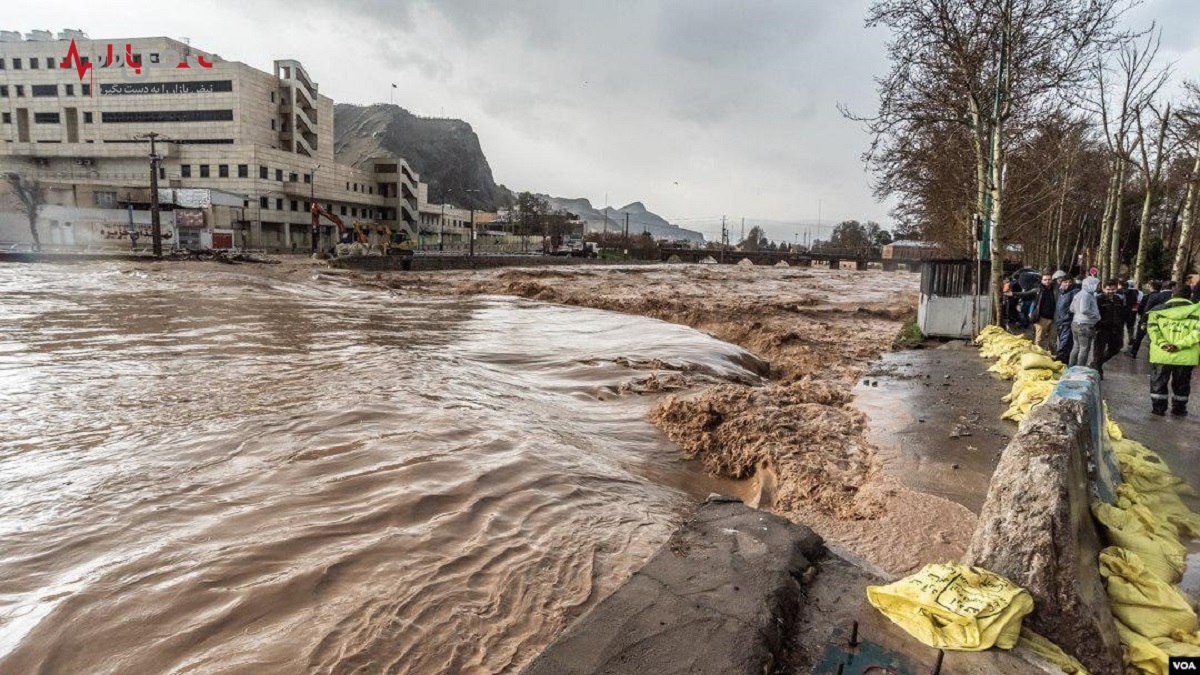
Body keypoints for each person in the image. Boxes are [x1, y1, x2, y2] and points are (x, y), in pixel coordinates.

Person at [1147, 284, 1200, 416]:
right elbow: (1197, 333)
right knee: (1182, 384)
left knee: (1158, 382)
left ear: (1172, 295)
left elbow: (1152, 331)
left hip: (1161, 354)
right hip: (1185, 357)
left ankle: (1158, 409)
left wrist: (1163, 344)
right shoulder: (1197, 311)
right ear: (1190, 296)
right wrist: (1179, 345)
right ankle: (1179, 409)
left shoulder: (1156, 311)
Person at [1093, 279, 1128, 378]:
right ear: (1104, 289)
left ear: (1116, 289)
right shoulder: (1099, 299)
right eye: (1108, 289)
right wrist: (1098, 325)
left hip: (1116, 329)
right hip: (1102, 329)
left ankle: (1096, 363)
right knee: (1099, 351)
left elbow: (1123, 313)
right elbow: (1095, 315)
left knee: (1116, 348)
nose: (1110, 291)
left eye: (1113, 289)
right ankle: (1098, 370)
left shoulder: (1118, 299)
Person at [1017, 271, 1058, 351]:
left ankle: (1050, 356)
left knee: (1053, 339)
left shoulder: (1056, 290)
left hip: (1054, 318)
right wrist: (1013, 294)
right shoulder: (1038, 290)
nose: (1047, 281)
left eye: (1049, 279)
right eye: (1045, 280)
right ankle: (1037, 353)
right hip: (1041, 318)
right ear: (1042, 281)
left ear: (1052, 280)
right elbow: (1026, 294)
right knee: (1039, 339)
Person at [1129, 280, 1169, 358]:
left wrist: (1142, 318)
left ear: (1151, 287)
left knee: (1138, 337)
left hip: (1145, 320)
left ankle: (1133, 352)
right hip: (1157, 321)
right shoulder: (1162, 297)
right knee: (1153, 338)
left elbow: (1140, 309)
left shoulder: (1147, 297)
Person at [1070, 277, 1101, 368]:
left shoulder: (1078, 294)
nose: (1098, 287)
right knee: (1084, 348)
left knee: (1076, 347)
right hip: (1085, 325)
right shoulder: (1087, 295)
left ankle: (1071, 367)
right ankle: (1080, 369)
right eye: (1097, 284)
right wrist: (1095, 315)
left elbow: (1071, 309)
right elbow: (1084, 309)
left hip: (1075, 323)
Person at [1054, 274, 1080, 363]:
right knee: (1062, 343)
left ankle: (1061, 363)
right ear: (1061, 283)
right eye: (1065, 282)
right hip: (1060, 322)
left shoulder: (1075, 292)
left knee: (1064, 346)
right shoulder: (1060, 292)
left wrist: (1069, 316)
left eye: (1070, 282)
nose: (1068, 284)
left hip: (1067, 323)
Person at [1123, 279, 1142, 343]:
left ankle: (1120, 339)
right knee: (1131, 325)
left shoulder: (1124, 292)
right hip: (1132, 311)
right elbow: (1138, 302)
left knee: (1122, 325)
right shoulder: (1137, 292)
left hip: (1124, 310)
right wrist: (1135, 311)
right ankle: (1130, 337)